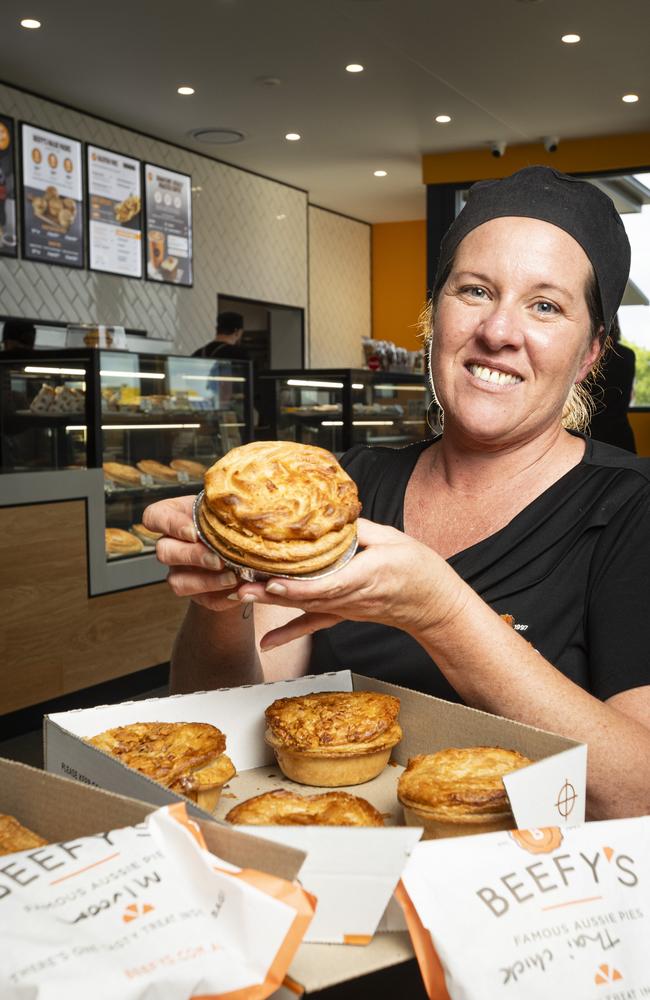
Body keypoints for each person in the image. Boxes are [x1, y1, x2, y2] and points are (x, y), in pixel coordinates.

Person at [144, 166, 650, 820]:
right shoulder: (343, 490)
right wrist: (221, 599)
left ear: (589, 354)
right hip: (331, 865)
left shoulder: (630, 511)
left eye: (545, 305)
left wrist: (440, 612)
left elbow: (639, 791)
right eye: (474, 291)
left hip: (527, 893)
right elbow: (226, 723)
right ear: (433, 318)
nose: (499, 331)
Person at [588, 315, 637, 453]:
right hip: (621, 434)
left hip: (591, 434)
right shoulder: (628, 354)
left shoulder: (589, 355)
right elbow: (628, 394)